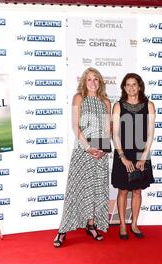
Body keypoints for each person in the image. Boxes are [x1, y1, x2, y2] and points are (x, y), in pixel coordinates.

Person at [53, 67, 111, 247]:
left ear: (100, 82)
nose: (93, 82)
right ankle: (62, 230)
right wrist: (88, 148)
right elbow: (75, 126)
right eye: (89, 79)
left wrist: (103, 149)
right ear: (84, 82)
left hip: (100, 153)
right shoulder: (79, 98)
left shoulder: (106, 102)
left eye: (96, 79)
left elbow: (108, 129)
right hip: (83, 151)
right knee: (76, 189)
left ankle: (91, 225)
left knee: (96, 189)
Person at [111, 73, 155, 240]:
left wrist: (144, 157)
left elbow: (150, 134)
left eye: (134, 84)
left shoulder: (149, 105)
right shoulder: (118, 106)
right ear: (123, 87)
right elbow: (115, 134)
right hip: (123, 152)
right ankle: (122, 225)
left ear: (139, 86)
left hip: (141, 152)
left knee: (137, 191)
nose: (131, 87)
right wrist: (122, 157)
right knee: (122, 191)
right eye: (127, 84)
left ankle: (134, 224)